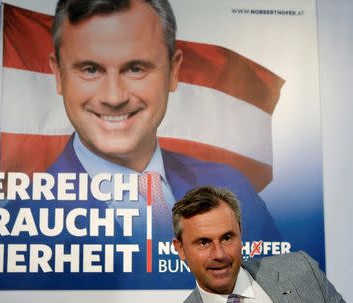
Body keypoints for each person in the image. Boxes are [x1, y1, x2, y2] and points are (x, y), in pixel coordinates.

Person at [46, 0, 280, 243]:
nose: (113, 98)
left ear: (173, 71)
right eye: (90, 69)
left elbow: (277, 279)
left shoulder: (233, 187)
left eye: (135, 68)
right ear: (58, 75)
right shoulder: (20, 219)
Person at [172, 186, 345, 302]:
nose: (219, 254)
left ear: (240, 233)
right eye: (203, 242)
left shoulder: (302, 270)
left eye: (227, 238)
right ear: (181, 249)